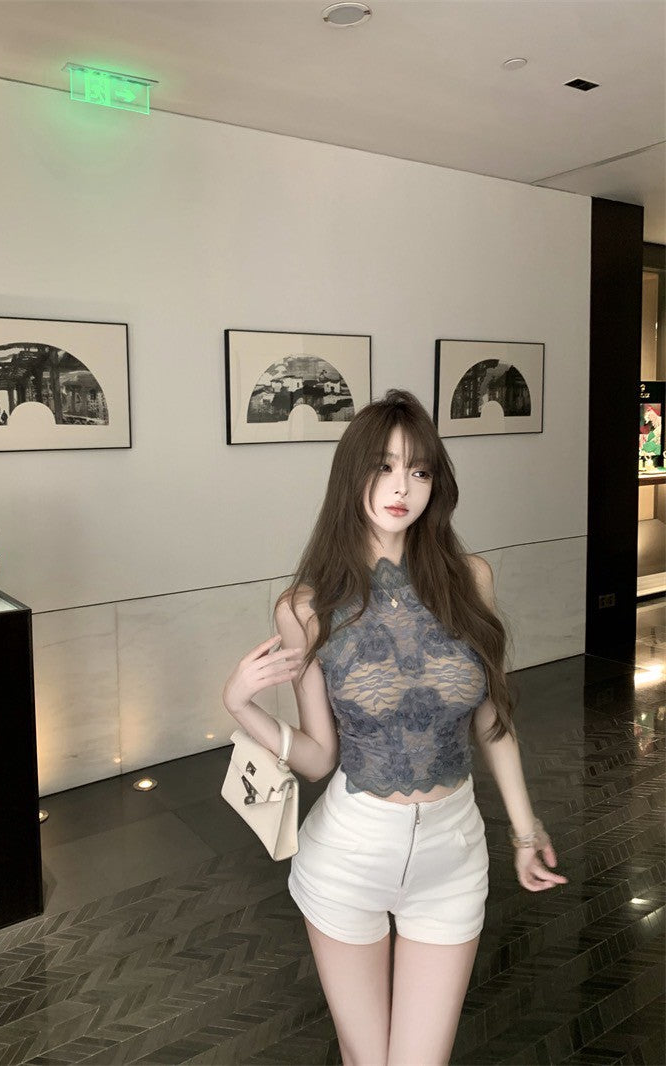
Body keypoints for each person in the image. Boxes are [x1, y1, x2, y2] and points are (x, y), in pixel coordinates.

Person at [222, 389, 568, 1065]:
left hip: (453, 857)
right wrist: (241, 706)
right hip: (349, 857)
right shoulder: (306, 606)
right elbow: (319, 757)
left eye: (419, 470)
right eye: (383, 467)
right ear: (352, 474)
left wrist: (527, 832)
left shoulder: (470, 579)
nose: (401, 487)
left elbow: (493, 721)